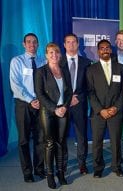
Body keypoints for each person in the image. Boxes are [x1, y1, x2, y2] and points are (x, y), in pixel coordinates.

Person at [35, 43, 73, 188]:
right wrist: (54, 109)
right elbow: (40, 94)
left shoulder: (64, 70)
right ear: (46, 55)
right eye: (51, 52)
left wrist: (65, 106)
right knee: (50, 143)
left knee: (61, 143)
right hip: (48, 112)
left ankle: (60, 172)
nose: (54, 55)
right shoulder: (40, 72)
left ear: (60, 55)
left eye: (56, 52)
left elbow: (69, 91)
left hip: (63, 110)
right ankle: (50, 174)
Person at [9, 33, 45, 183]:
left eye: (34, 42)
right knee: (24, 140)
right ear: (24, 44)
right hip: (23, 105)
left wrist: (41, 100)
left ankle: (39, 168)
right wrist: (31, 100)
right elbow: (15, 85)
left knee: (40, 139)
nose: (32, 44)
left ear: (38, 44)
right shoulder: (17, 61)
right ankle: (27, 172)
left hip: (41, 104)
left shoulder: (43, 61)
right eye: (29, 42)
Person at [86, 39, 123, 178]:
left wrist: (116, 107)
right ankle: (98, 168)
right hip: (98, 113)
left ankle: (117, 166)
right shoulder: (91, 69)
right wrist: (100, 110)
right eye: (102, 48)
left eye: (107, 47)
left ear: (111, 50)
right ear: (98, 51)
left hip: (116, 111)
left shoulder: (120, 68)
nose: (105, 50)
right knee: (97, 142)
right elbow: (90, 92)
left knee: (116, 141)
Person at [60, 33, 91, 174]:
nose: (71, 44)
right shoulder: (58, 62)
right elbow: (55, 86)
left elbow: (90, 86)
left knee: (81, 136)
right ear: (64, 44)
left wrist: (79, 97)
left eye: (74, 42)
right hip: (62, 105)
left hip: (79, 104)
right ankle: (63, 164)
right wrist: (67, 99)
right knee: (62, 136)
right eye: (68, 42)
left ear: (78, 44)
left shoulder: (86, 62)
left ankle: (82, 163)